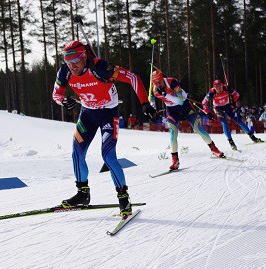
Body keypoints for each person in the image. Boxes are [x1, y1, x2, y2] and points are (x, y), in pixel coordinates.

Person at [52, 40, 155, 216]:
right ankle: (82, 194)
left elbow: (133, 78)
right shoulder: (64, 72)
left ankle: (123, 198)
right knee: (76, 153)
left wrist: (145, 103)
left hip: (108, 113)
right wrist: (63, 101)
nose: (72, 66)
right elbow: (56, 94)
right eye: (68, 62)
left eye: (75, 61)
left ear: (84, 57)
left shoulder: (100, 67)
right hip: (88, 114)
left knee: (107, 155)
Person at [150, 70, 225, 170]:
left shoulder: (172, 82)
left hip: (185, 106)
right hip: (172, 110)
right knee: (173, 133)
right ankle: (175, 160)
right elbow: (152, 101)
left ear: (162, 79)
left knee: (198, 129)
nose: (158, 85)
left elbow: (180, 101)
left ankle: (214, 149)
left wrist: (166, 95)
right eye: (156, 83)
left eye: (160, 82)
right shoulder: (155, 90)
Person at [202, 80, 262, 150]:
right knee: (224, 123)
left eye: (220, 87)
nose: (219, 89)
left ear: (222, 85)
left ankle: (252, 137)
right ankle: (231, 142)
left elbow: (237, 95)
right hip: (218, 109)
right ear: (214, 87)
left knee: (238, 120)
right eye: (217, 88)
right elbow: (203, 103)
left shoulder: (226, 88)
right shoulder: (212, 92)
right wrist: (208, 113)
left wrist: (236, 104)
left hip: (227, 107)